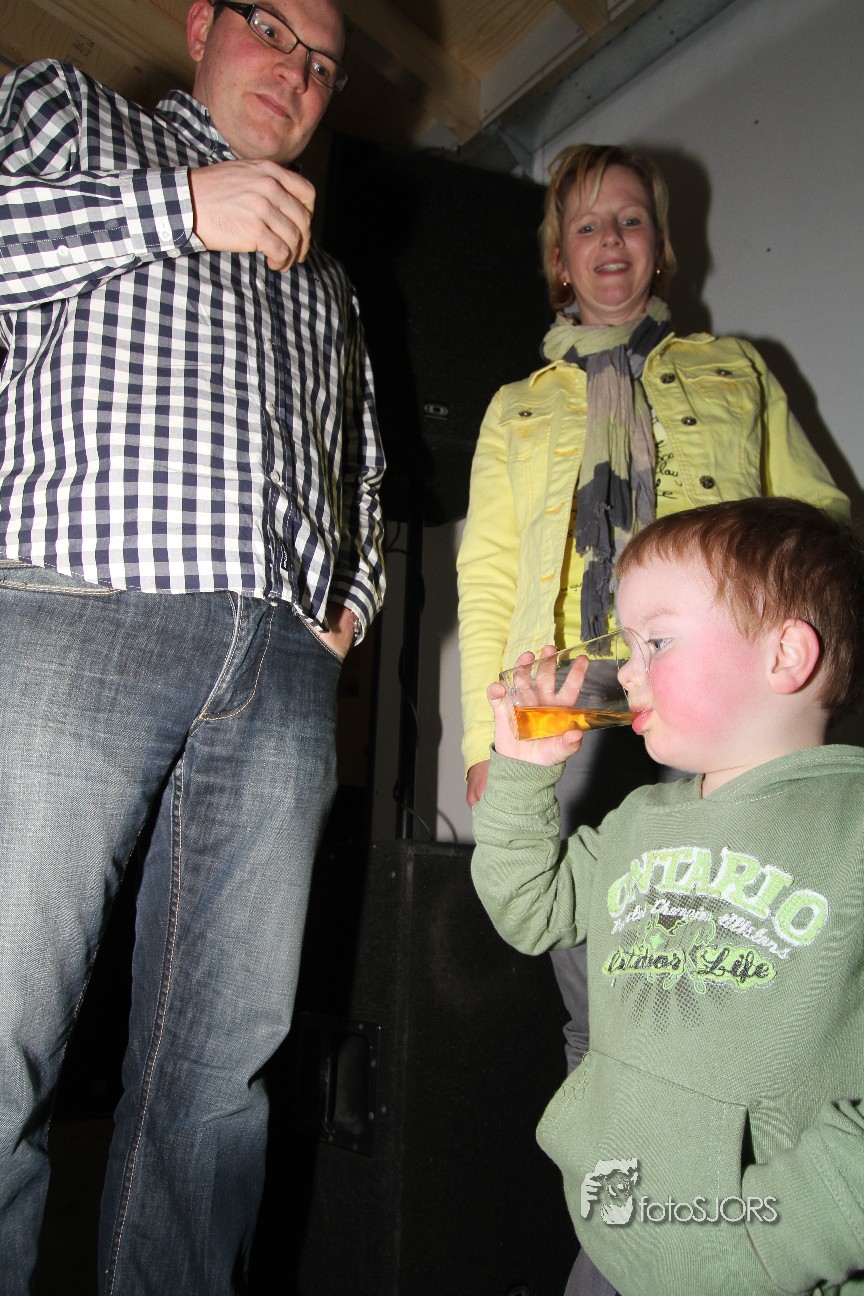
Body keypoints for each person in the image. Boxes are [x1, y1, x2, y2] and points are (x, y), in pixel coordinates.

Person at [0, 1, 385, 1292]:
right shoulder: (72, 115)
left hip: (278, 673)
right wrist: (176, 209)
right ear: (204, 22)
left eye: (325, 66)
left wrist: (352, 598)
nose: (299, 73)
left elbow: (360, 466)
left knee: (220, 1092)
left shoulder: (325, 274)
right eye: (276, 30)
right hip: (73, 614)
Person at [456, 142, 848, 1075]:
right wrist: (484, 738)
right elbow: (489, 574)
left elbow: (819, 519)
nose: (611, 240)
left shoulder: (737, 369)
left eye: (630, 220)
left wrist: (809, 674)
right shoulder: (515, 407)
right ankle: (615, 1161)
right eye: (587, 225)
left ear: (660, 246)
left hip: (716, 681)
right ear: (561, 258)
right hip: (571, 698)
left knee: (743, 947)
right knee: (596, 974)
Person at [471, 496, 864, 1296]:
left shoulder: (851, 827)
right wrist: (522, 777)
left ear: (786, 655)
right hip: (611, 1234)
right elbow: (530, 911)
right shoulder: (638, 821)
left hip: (769, 1266)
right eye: (627, 644)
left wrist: (774, 1241)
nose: (627, 670)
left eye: (657, 641)